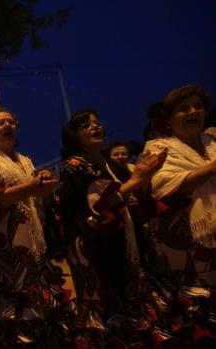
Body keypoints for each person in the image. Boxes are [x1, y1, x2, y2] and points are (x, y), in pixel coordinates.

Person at [0, 108, 74, 348]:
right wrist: (31, 188)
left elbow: (39, 203)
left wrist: (44, 187)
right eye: (0, 123)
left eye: (11, 122)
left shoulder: (26, 161)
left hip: (34, 249)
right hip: (5, 251)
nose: (7, 126)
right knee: (10, 316)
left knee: (44, 318)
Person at [58, 108, 167, 346]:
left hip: (120, 239)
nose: (96, 127)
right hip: (91, 247)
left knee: (127, 300)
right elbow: (98, 204)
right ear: (74, 135)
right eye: (86, 125)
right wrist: (138, 178)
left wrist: (145, 179)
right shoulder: (74, 164)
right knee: (100, 306)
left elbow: (130, 197)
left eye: (97, 122)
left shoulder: (108, 163)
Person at [142, 84, 216, 343]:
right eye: (184, 108)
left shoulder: (214, 140)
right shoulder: (159, 148)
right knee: (197, 317)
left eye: (198, 106)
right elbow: (165, 187)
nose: (193, 111)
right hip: (187, 246)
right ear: (169, 119)